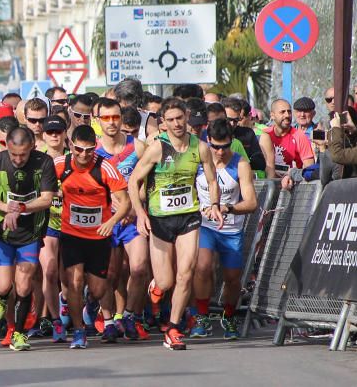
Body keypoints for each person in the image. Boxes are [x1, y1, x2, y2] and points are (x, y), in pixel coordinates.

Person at [129, 98, 223, 350]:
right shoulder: (158, 148)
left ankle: (172, 328)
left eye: (179, 118)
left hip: (189, 216)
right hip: (160, 219)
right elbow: (133, 181)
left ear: (186, 117)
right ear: (163, 123)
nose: (176, 124)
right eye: (170, 120)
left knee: (186, 273)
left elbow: (213, 181)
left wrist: (214, 204)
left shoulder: (200, 147)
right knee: (166, 281)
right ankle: (157, 287)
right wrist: (141, 213)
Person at [54, 125, 132, 349]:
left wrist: (111, 222)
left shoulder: (105, 167)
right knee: (75, 281)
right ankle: (79, 331)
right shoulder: (61, 165)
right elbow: (44, 184)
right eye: (79, 149)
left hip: (98, 236)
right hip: (71, 234)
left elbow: (125, 202)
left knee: (98, 290)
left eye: (89, 150)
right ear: (71, 146)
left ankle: (87, 302)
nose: (83, 155)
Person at [0, 127, 56, 351]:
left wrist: (22, 208)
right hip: (1, 231)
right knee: (3, 285)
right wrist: (7, 209)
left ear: (32, 146)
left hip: (31, 232)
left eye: (23, 154)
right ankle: (0, 297)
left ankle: (20, 334)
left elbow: (46, 199)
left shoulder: (44, 162)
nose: (17, 159)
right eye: (13, 154)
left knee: (24, 286)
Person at [190, 119, 257, 340]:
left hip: (231, 229)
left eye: (225, 146)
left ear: (232, 142)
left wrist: (227, 207)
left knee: (232, 277)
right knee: (203, 267)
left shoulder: (240, 164)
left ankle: (229, 316)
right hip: (205, 226)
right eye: (215, 146)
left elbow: (251, 203)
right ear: (207, 141)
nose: (220, 151)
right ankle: (201, 316)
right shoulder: (198, 161)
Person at [94, 98, 149, 343]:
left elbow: (149, 184)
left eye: (115, 117)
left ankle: (128, 316)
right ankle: (107, 322)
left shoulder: (137, 147)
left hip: (133, 219)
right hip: (106, 220)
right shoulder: (91, 152)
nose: (112, 122)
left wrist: (134, 207)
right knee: (109, 273)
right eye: (106, 118)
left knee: (138, 267)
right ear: (97, 121)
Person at [38, 116, 69, 343]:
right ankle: (56, 321)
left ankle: (67, 305)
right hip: (46, 222)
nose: (55, 136)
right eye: (50, 132)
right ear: (44, 135)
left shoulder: (75, 157)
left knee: (68, 277)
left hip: (71, 223)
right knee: (49, 271)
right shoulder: (36, 158)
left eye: (59, 131)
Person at [265, 99, 316, 187]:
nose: (287, 115)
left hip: (293, 187)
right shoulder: (266, 135)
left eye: (289, 112)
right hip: (270, 185)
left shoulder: (299, 136)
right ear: (272, 115)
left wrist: (292, 176)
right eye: (282, 112)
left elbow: (309, 169)